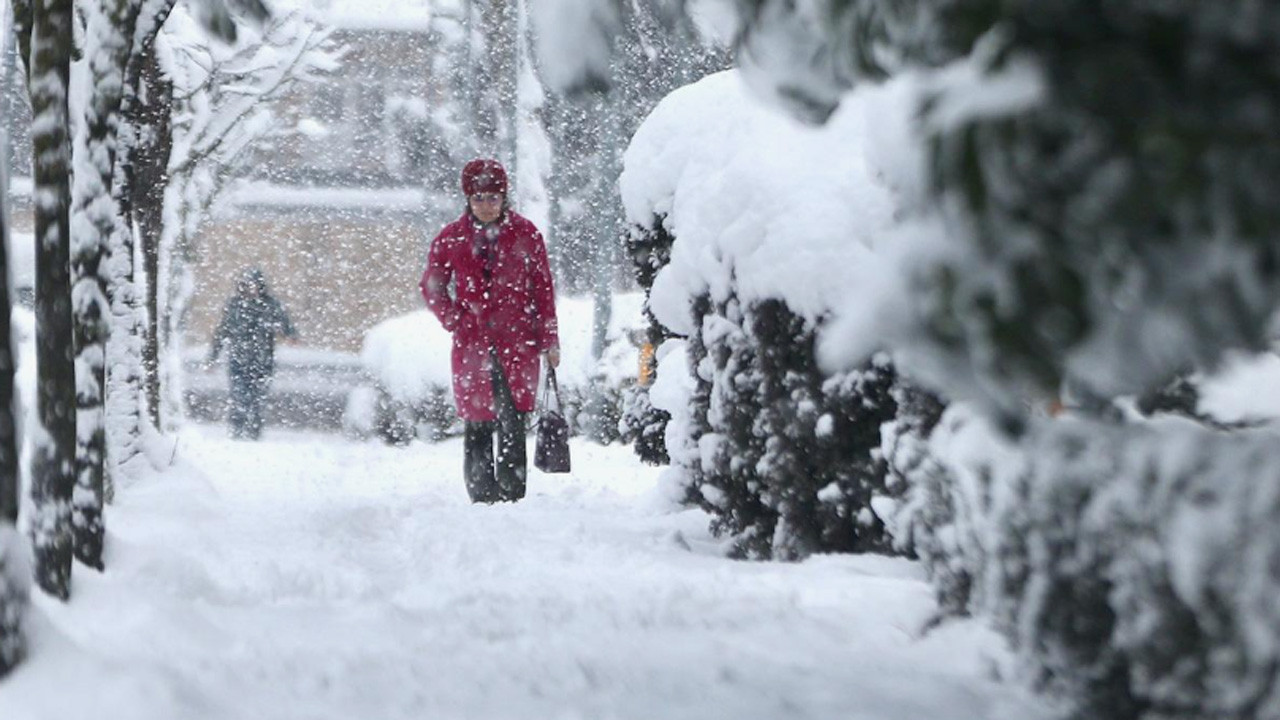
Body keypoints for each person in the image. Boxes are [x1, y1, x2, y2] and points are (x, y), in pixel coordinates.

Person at [421, 159, 560, 503]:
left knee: (513, 420)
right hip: (472, 345)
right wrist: (454, 319)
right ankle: (482, 495)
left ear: (504, 198)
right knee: (479, 421)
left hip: (518, 342)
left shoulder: (526, 234)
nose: (486, 205)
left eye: (493, 198)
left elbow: (542, 290)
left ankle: (512, 493)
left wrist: (550, 338)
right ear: (468, 198)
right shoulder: (451, 238)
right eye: (479, 197)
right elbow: (433, 286)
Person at [209, 268, 297, 440]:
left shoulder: (270, 305)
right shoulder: (234, 306)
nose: (251, 288)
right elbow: (222, 332)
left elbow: (284, 323)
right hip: (238, 360)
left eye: (254, 284)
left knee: (257, 400)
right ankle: (237, 431)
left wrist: (290, 335)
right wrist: (212, 358)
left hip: (262, 362)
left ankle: (253, 433)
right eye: (248, 284)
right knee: (238, 397)